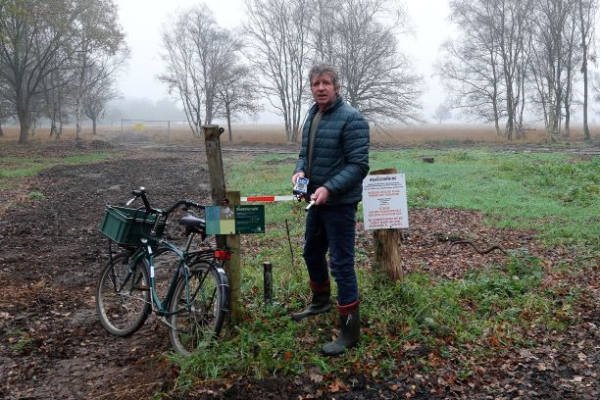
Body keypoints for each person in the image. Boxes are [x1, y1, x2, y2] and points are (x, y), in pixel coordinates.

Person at [291, 63, 370, 356]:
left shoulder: (353, 119)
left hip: (340, 204)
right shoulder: (311, 115)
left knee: (341, 263)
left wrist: (329, 188)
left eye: (326, 83)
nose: (320, 88)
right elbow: (304, 155)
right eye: (315, 83)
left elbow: (359, 165)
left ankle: (350, 331)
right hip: (315, 201)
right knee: (311, 252)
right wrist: (299, 174)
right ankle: (321, 302)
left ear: (337, 87)